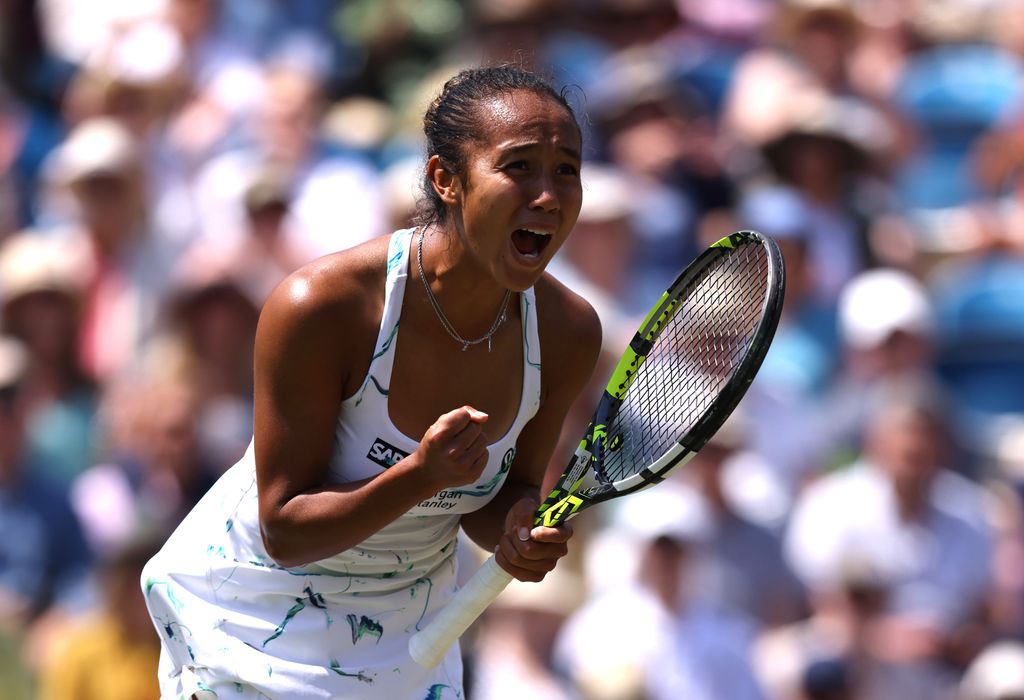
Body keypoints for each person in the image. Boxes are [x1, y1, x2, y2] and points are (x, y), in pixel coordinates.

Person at [141, 64, 601, 699]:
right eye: (519, 166)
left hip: (407, 638)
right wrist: (420, 475)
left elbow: (501, 503)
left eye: (566, 170)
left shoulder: (567, 331)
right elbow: (285, 528)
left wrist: (519, 532)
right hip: (254, 619)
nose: (547, 195)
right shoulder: (323, 305)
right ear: (446, 180)